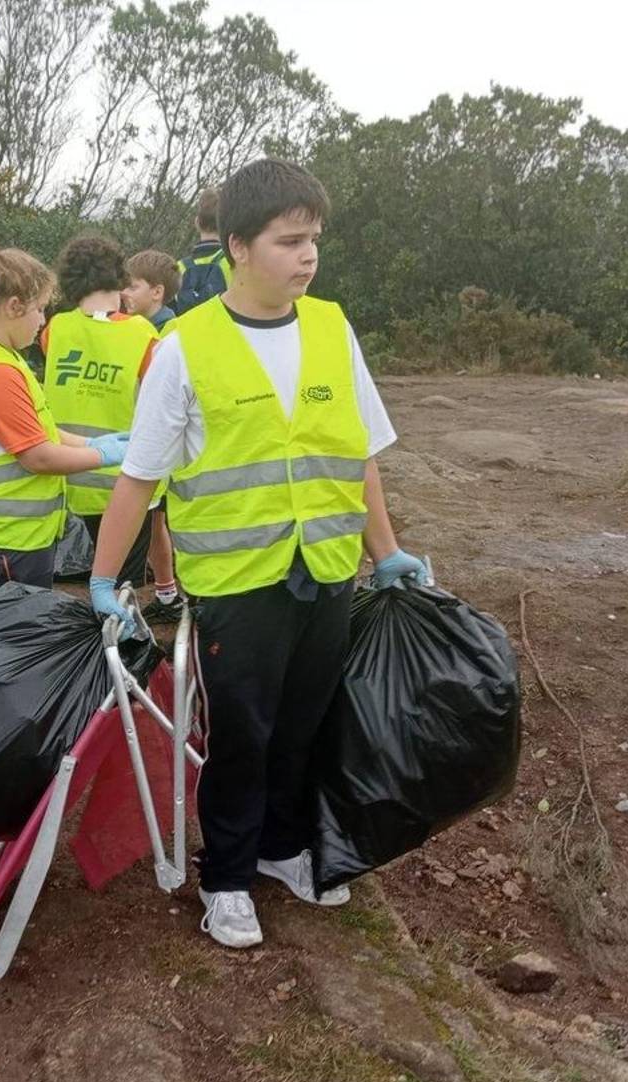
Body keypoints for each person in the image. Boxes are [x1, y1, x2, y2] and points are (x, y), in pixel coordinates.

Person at [89, 159, 427, 949]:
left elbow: (361, 454)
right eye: (290, 241)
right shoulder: (184, 347)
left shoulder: (331, 328)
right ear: (237, 245)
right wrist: (106, 578)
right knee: (242, 731)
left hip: (328, 570)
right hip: (237, 586)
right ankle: (229, 875)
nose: (308, 257)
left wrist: (389, 551)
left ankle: (282, 849)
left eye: (314, 240)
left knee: (306, 723)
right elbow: (140, 477)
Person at [0, 242, 130, 595]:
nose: (43, 320)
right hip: (7, 535)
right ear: (13, 307)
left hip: (7, 531)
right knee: (18, 639)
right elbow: (38, 456)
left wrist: (90, 442)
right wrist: (105, 457)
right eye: (40, 309)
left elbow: (34, 430)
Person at [39, 233, 158, 593]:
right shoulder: (143, 335)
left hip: (70, 474)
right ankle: (121, 647)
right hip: (126, 482)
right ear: (119, 277)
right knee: (123, 589)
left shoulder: (54, 329)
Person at [121, 249, 187, 622]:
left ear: (158, 292)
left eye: (133, 285)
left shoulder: (166, 333)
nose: (125, 292)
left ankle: (171, 592)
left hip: (163, 449)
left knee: (158, 520)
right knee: (157, 522)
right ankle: (167, 593)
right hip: (154, 444)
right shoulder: (143, 328)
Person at [174, 187, 232, 315]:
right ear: (228, 223)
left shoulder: (178, 267)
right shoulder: (234, 262)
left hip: (189, 333)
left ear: (197, 222)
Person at [121, 249, 181, 331]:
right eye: (123, 286)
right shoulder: (124, 326)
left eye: (132, 287)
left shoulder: (169, 336)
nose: (123, 292)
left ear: (157, 292)